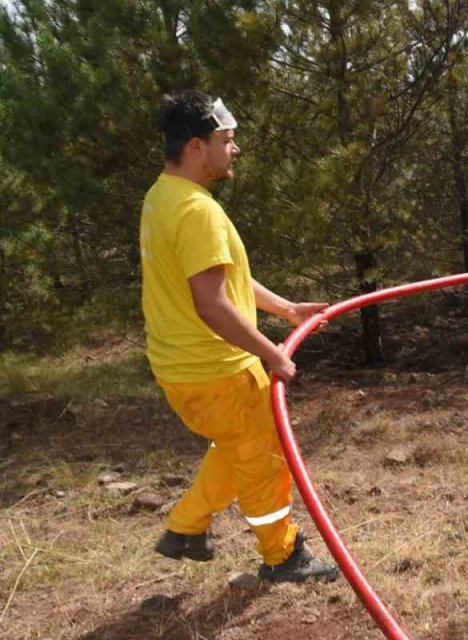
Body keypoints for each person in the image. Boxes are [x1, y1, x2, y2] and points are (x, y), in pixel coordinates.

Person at [140, 90, 337, 582]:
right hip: (219, 371)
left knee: (238, 446)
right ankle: (283, 556)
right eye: (226, 140)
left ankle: (186, 527)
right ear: (196, 147)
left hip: (182, 369)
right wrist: (273, 354)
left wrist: (286, 308)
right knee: (264, 461)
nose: (236, 149)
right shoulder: (197, 211)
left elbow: (223, 278)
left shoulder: (162, 196)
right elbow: (212, 303)